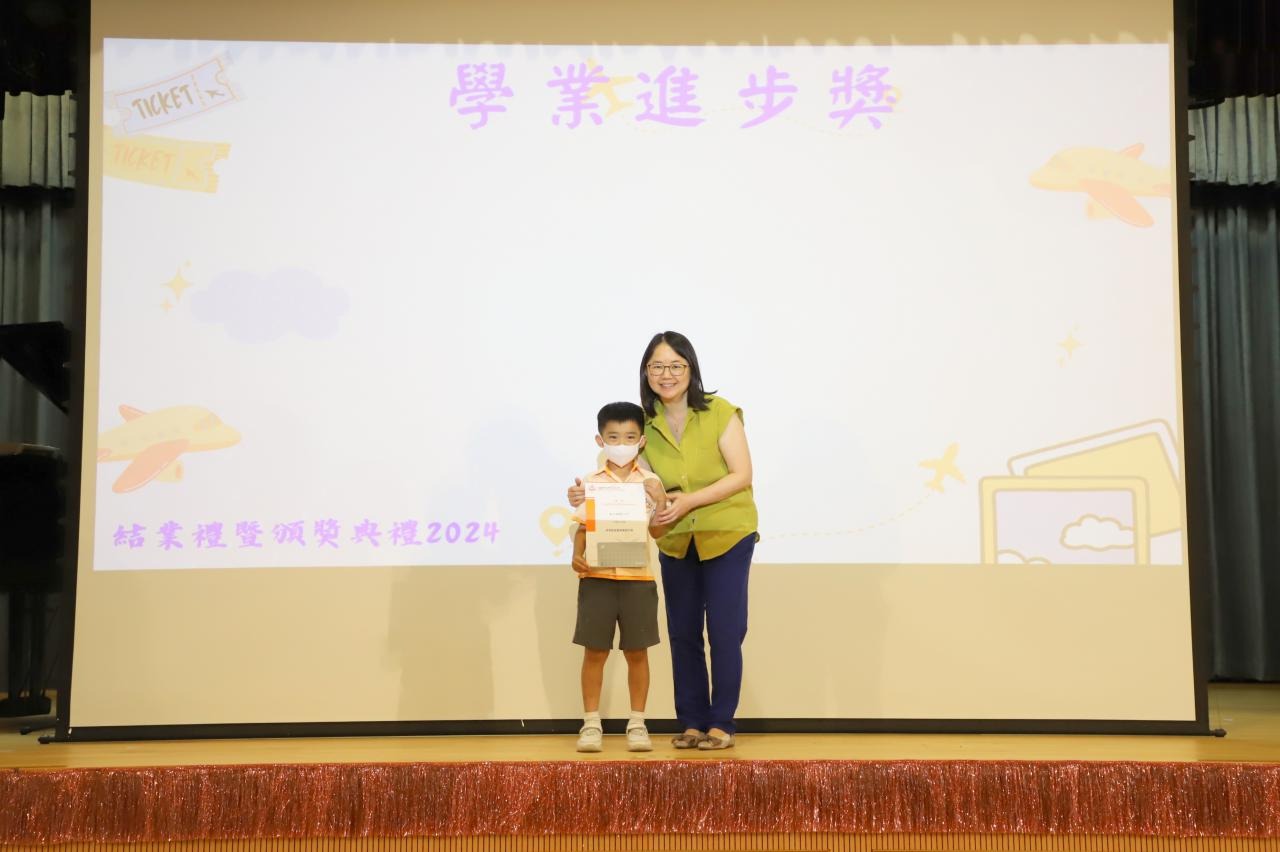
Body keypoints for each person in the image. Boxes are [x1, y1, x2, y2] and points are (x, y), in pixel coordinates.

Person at [570, 332, 757, 751]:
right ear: (646, 372)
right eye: (657, 366)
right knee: (683, 633)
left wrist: (688, 500)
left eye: (676, 365)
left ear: (691, 369)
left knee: (725, 632)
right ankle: (691, 722)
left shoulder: (720, 412)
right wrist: (589, 497)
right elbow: (630, 485)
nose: (666, 374)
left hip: (727, 532)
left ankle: (721, 724)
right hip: (674, 537)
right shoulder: (643, 425)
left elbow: (741, 474)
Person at [569, 401, 671, 752]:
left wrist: (661, 504)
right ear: (600, 441)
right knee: (594, 652)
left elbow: (657, 533)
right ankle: (591, 723)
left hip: (638, 580)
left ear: (641, 441)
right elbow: (583, 529)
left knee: (637, 653)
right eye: (613, 437)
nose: (622, 444)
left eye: (629, 437)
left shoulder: (651, 483)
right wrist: (577, 555)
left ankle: (637, 723)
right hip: (597, 578)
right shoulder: (591, 483)